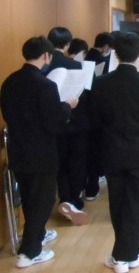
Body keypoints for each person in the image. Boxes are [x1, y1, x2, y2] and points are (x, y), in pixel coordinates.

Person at [1, 36, 78, 268]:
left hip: (17, 149)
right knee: (43, 200)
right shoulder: (46, 85)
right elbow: (54, 122)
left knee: (28, 196)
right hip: (41, 151)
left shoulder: (9, 81)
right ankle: (29, 252)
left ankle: (38, 234)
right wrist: (67, 106)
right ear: (46, 56)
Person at [91, 33, 139, 272]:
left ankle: (128, 252)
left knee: (117, 201)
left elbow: (96, 118)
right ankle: (125, 255)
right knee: (136, 202)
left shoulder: (101, 82)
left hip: (111, 150)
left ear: (115, 53)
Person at [47, 27, 91, 226]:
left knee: (60, 162)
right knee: (77, 161)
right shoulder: (75, 65)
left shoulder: (45, 66)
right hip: (76, 122)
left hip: (53, 124)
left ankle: (64, 197)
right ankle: (74, 199)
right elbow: (85, 96)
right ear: (67, 44)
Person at [84, 31, 114, 200]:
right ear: (106, 46)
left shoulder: (83, 58)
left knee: (85, 151)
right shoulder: (102, 62)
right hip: (97, 112)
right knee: (96, 150)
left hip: (81, 111)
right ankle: (93, 186)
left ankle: (85, 187)